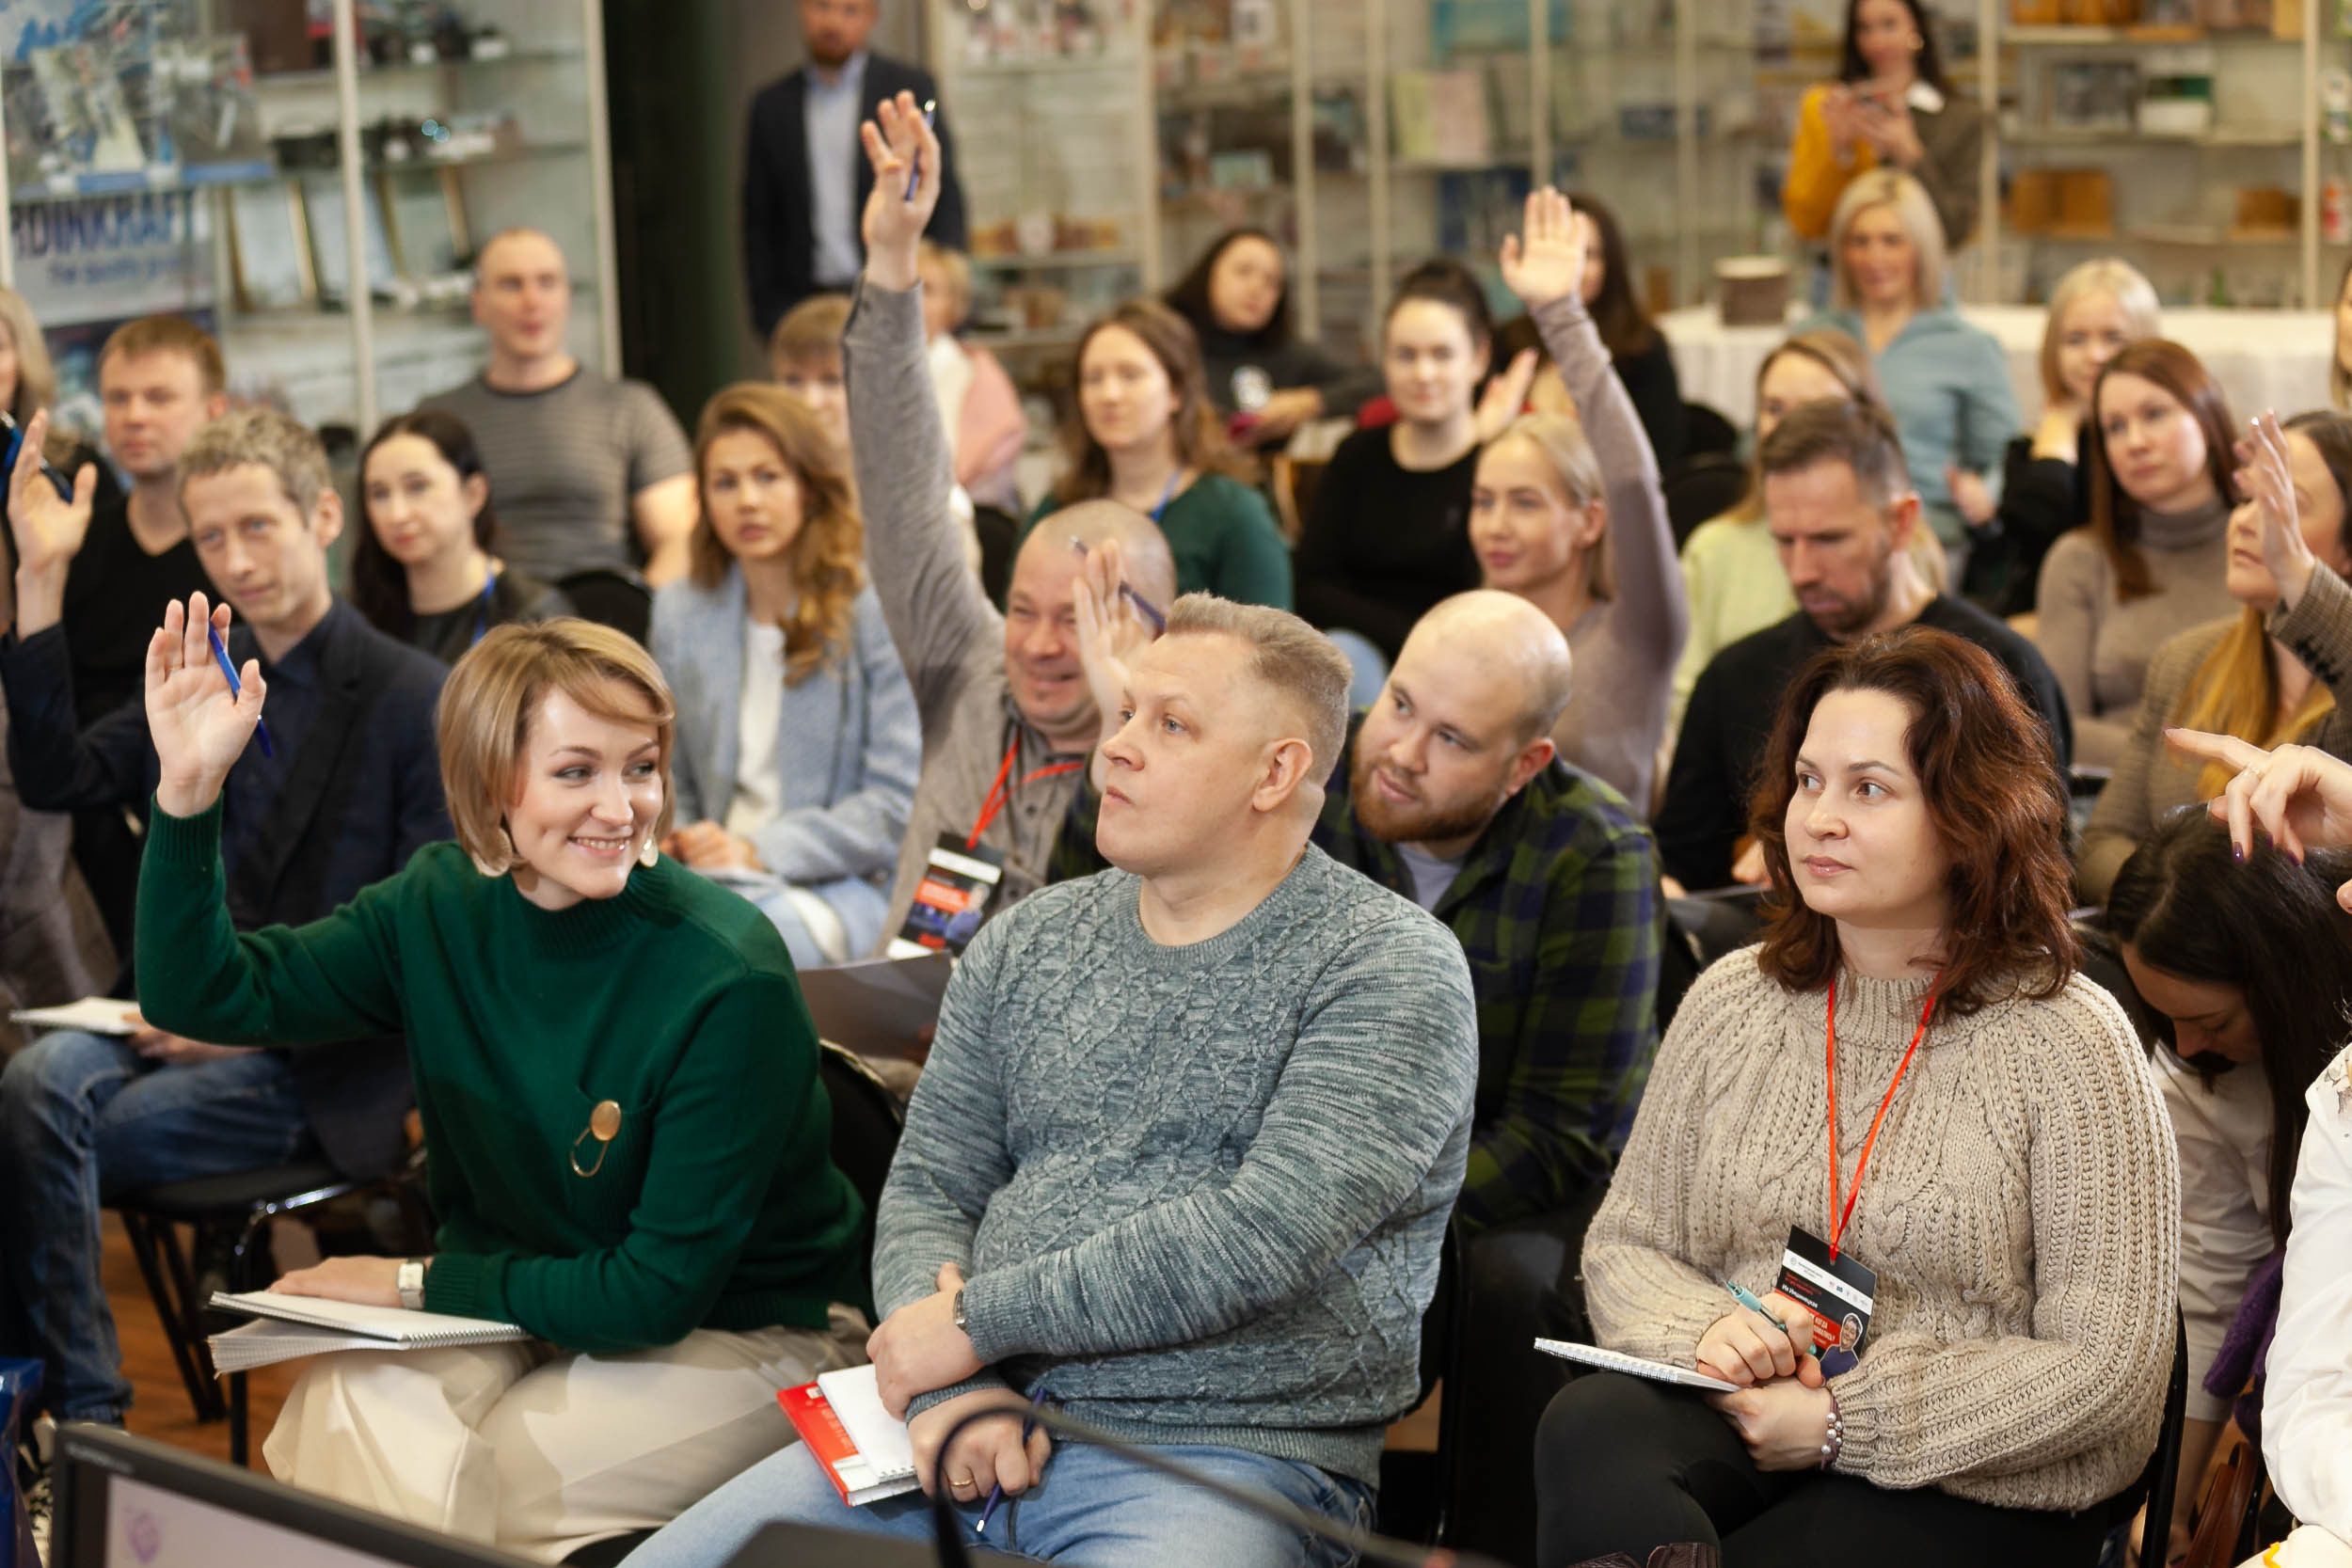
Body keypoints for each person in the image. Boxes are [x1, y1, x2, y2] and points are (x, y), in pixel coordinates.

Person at [618, 573, 1478, 1567]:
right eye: (1124, 713)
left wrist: (974, 1324)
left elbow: (1259, 1236)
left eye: (1171, 724)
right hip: (955, 1420)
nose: (1116, 744)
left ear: (1275, 771)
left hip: (1218, 1452)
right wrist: (952, 1385)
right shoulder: (1029, 939)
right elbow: (932, 1182)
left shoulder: (1387, 964)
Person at [129, 610, 869, 1562]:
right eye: (575, 771)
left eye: (640, 766)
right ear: (492, 785)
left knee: (461, 1478)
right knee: (341, 1407)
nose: (620, 806)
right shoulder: (437, 903)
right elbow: (203, 992)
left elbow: (653, 1295)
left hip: (751, 1329)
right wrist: (189, 792)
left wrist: (412, 1282)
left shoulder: (728, 972)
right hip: (525, 1298)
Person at [1538, 625, 2177, 1567]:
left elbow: (2106, 1371)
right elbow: (1628, 1241)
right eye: (1806, 780)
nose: (1818, 818)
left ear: (1972, 815)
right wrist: (1716, 1329)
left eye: (1868, 787)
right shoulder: (1730, 999)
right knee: (1589, 1424)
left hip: (1974, 1464)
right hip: (1754, 1408)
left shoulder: (2069, 1040)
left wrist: (1844, 1417)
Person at [1053, 578, 1661, 1566]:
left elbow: (1561, 1131)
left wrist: (1364, 1205)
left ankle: (1476, 1541)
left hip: (1484, 1182)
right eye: (1403, 705)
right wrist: (1124, 727)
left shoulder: (1596, 857)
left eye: (1453, 741)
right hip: (1270, 1154)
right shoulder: (1305, 777)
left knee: (1504, 1284)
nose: (1401, 752)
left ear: (1526, 762)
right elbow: (1106, 897)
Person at [0, 407, 448, 1433]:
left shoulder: (409, 692)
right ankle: (81, 1419)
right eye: (210, 538)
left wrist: (234, 1020)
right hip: (170, 1021)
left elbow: (424, 944)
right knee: (30, 1089)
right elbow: (57, 773)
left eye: (258, 527)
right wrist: (39, 578)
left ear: (322, 514)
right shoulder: (207, 663)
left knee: (29, 1129)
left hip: (316, 1058)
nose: (236, 559)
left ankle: (79, 1421)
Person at [845, 90, 1181, 954]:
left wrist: (1125, 717)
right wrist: (891, 259)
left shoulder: (1190, 772)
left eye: (1075, 621)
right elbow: (901, 487)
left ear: (1152, 631)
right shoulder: (968, 669)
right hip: (897, 1057)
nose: (1033, 645)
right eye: (1024, 610)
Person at [1657, 397, 2069, 892]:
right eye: (1786, 541)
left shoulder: (1997, 667)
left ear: (1901, 522)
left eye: (1829, 539)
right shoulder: (1737, 674)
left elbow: (2040, 867)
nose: (1803, 571)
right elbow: (1685, 866)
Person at [2104, 810, 2352, 1565]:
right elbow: (2210, 1290)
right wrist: (2173, 1509)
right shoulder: (2190, 1070)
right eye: (2164, 1019)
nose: (2185, 1046)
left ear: (2282, 978)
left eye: (2208, 1018)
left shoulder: (2342, 1076)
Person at [650, 382, 919, 969]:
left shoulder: (874, 610)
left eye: (768, 477)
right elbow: (665, 774)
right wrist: (691, 838)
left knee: (727, 948)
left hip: (836, 883)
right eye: (726, 483)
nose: (747, 501)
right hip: (707, 874)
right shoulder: (679, 611)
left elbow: (896, 807)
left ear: (809, 485)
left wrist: (756, 850)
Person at [6, 314, 221, 958]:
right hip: (72, 797)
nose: (133, 416)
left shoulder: (231, 561)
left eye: (159, 398)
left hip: (177, 817)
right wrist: (36, 571)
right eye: (118, 398)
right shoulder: (78, 533)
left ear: (213, 409)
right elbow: (45, 741)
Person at [2078, 409, 2352, 905]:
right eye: (2246, 499)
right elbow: (2101, 842)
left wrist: (2296, 570)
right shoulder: (2185, 658)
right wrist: (2176, 901)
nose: (2247, 522)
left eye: (2281, 506)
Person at [1468, 188, 1685, 810]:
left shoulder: (1637, 632)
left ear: (1591, 521)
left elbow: (1634, 482)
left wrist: (1562, 316)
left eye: (1526, 503)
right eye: (1484, 502)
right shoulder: (1473, 626)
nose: (1495, 527)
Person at [421, 229, 697, 588]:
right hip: (485, 624)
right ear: (479, 304)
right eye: (511, 284)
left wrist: (639, 619)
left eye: (547, 283)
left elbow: (681, 537)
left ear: (567, 297)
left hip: (602, 622)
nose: (532, 301)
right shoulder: (438, 420)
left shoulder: (632, 408)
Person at [1295, 258, 1520, 698]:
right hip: (1360, 658)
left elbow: (1492, 596)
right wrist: (1410, 634)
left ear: (1478, 359)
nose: (1423, 374)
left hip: (1466, 664)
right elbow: (1311, 585)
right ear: (1384, 361)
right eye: (1406, 355)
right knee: (1342, 662)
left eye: (1441, 354)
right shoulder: (1357, 453)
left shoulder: (1497, 463)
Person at [2033, 341, 2239, 768]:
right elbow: (2055, 726)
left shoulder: (2268, 546)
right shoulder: (2079, 559)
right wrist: (2204, 763)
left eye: (2154, 415)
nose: (2135, 442)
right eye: (2115, 427)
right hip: (2114, 800)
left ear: (2206, 413)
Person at [1797, 169, 2016, 564]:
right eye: (1859, 241)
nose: (1874, 258)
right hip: (1816, 531)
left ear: (1922, 249)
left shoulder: (1968, 347)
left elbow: (2006, 457)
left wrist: (1985, 491)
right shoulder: (1810, 339)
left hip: (1924, 539)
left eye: (1891, 241)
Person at [1019, 298, 1292, 609]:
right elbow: (1018, 622)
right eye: (1093, 379)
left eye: (1130, 375)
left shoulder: (1235, 514)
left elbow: (1270, 650)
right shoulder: (1058, 509)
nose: (1109, 394)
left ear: (1176, 391)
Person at [1673, 329, 1882, 729]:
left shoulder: (1902, 549)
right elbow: (1684, 695)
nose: (1790, 427)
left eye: (1816, 408)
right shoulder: (1715, 547)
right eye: (1774, 408)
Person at [742, 0, 966, 338]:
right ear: (802, 9)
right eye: (822, 7)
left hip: (890, 288)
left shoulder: (908, 88)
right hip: (803, 301)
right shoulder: (771, 106)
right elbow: (758, 220)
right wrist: (768, 315)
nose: (833, 22)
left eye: (850, 10)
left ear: (872, 16)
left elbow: (945, 195)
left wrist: (945, 298)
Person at [1966, 258, 2160, 616]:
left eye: (2113, 338)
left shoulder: (2155, 443)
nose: (2094, 356)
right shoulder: (2031, 452)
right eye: (2075, 340)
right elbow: (2032, 533)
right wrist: (2058, 435)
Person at [775, 288, 987, 578]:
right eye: (793, 381)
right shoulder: (768, 490)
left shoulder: (928, 502)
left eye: (831, 381)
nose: (810, 402)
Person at [347, 409, 574, 665]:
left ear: (473, 494)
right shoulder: (360, 618)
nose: (397, 514)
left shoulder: (533, 614)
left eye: (417, 487)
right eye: (379, 494)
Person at [1782, 0, 1985, 250]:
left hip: (1925, 274)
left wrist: (1912, 156)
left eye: (1889, 24)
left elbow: (1956, 229)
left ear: (1917, 27)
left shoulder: (1960, 117)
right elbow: (1806, 223)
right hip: (1841, 272)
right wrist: (1840, 152)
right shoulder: (1827, 106)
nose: (1876, 42)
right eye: (1864, 28)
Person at [1162, 228, 1380, 445]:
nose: (1257, 288)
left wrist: (1310, 402)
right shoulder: (1164, 342)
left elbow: (1379, 381)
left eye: (1271, 281)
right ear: (1208, 273)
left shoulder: (1286, 354)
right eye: (1244, 271)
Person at [1563, 191, 1685, 469]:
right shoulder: (1511, 343)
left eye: (1589, 254)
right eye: (1563, 252)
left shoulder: (1643, 348)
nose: (1574, 267)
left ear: (1610, 263)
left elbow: (1659, 457)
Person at [917, 242, 1025, 517]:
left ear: (953, 304)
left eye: (927, 289)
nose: (912, 298)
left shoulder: (976, 374)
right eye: (902, 286)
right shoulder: (862, 369)